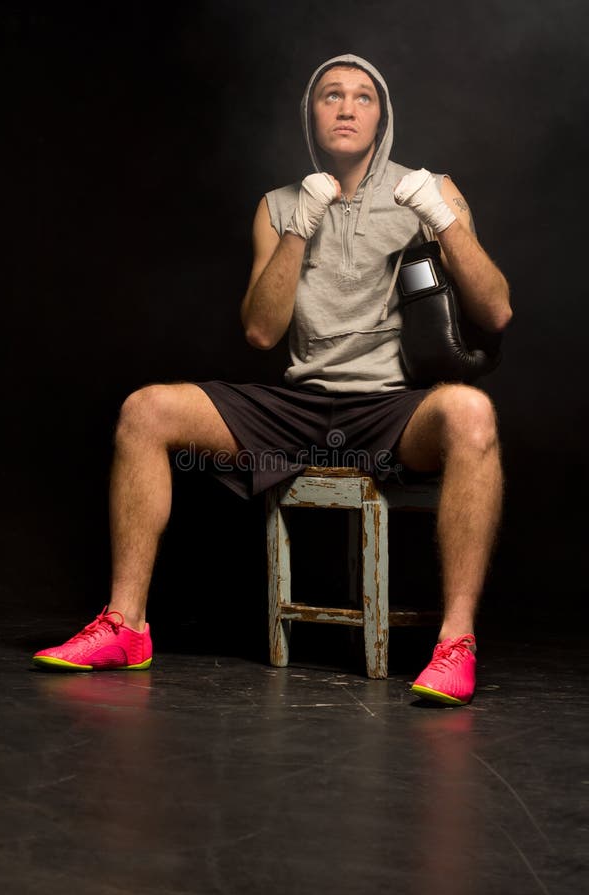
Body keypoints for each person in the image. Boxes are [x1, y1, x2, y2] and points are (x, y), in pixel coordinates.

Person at [33, 53, 511, 705]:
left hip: (390, 411)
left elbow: (496, 310)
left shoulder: (432, 188)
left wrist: (442, 216)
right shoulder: (279, 205)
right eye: (331, 95)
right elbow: (261, 332)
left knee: (473, 416)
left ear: (383, 115)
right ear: (309, 115)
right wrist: (298, 230)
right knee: (146, 410)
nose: (346, 107)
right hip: (296, 409)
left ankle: (457, 643)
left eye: (363, 97)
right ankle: (126, 625)